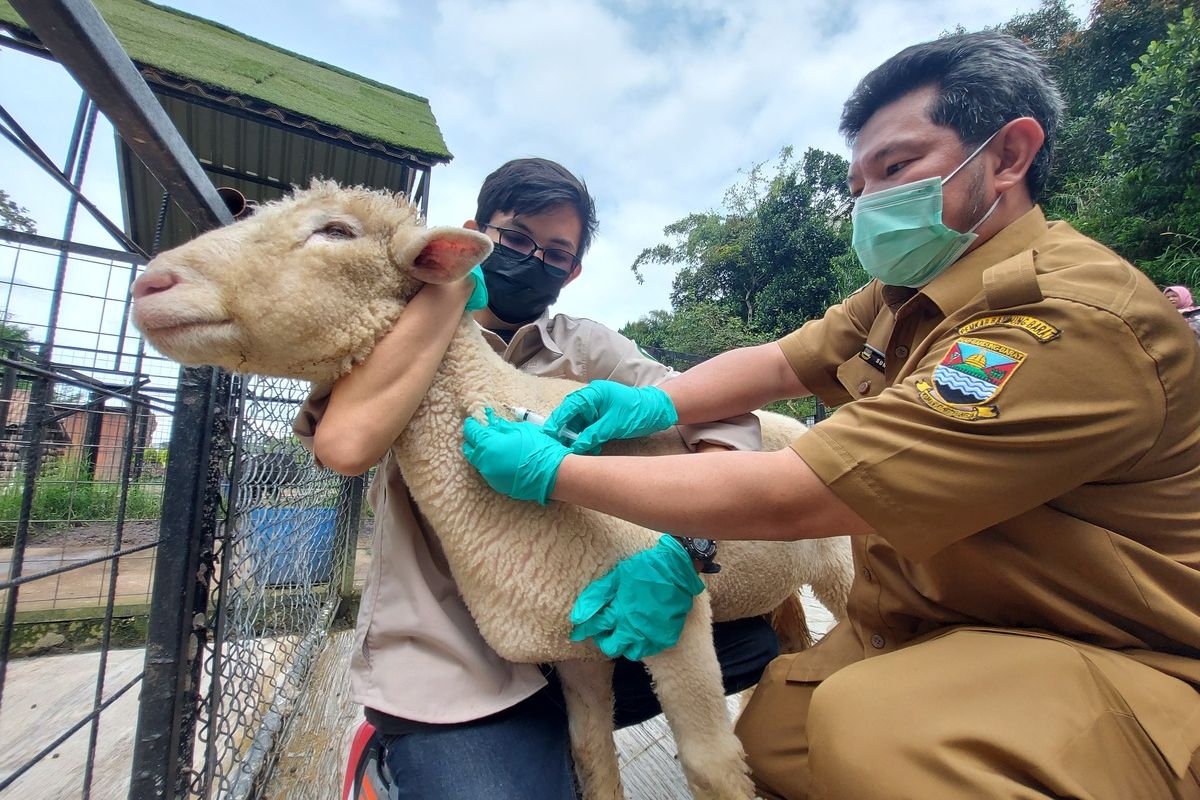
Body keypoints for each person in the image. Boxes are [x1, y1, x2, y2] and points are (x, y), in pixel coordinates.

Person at [462, 34, 1200, 799]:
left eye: (897, 167)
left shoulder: (1062, 318)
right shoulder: (904, 294)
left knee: (868, 728)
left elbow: (805, 492)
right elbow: (783, 361)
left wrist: (559, 474)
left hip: (1113, 647)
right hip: (940, 614)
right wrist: (655, 399)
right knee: (777, 741)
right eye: (858, 182)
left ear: (1008, 156)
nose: (869, 201)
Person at [294, 157, 774, 799]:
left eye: (555, 252)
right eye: (515, 238)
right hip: (458, 658)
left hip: (571, 619)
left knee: (752, 640)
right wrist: (448, 294)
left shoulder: (585, 348)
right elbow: (344, 445)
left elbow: (720, 408)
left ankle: (543, 743)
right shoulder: (401, 327)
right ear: (474, 235)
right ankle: (409, 753)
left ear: (572, 271)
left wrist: (692, 542)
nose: (533, 260)